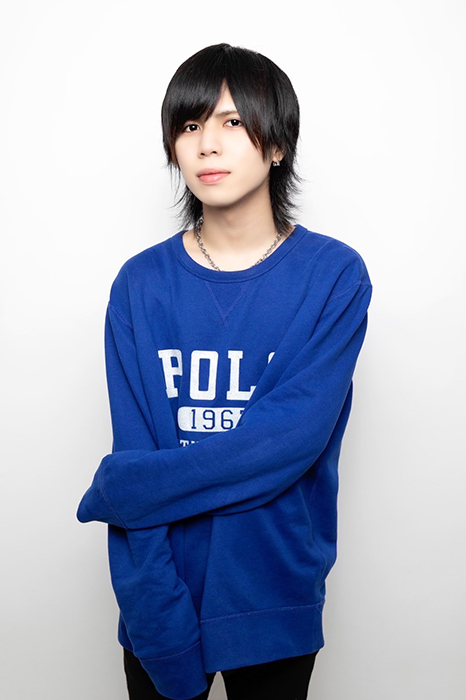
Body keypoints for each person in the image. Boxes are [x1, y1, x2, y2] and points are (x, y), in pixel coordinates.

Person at [77, 43, 372, 700]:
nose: (207, 143)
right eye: (190, 125)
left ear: (278, 145)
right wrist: (158, 618)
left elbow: (286, 443)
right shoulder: (140, 285)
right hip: (159, 594)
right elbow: (137, 451)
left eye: (233, 122)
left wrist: (125, 487)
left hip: (273, 594)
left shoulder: (333, 278)